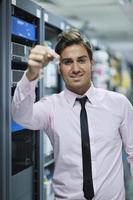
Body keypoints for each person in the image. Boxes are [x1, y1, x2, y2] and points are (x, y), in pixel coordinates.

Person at [12, 29, 133, 200]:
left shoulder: (119, 104)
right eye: (67, 62)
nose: (75, 68)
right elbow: (20, 116)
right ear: (59, 68)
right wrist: (31, 75)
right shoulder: (50, 107)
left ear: (91, 63)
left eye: (81, 60)